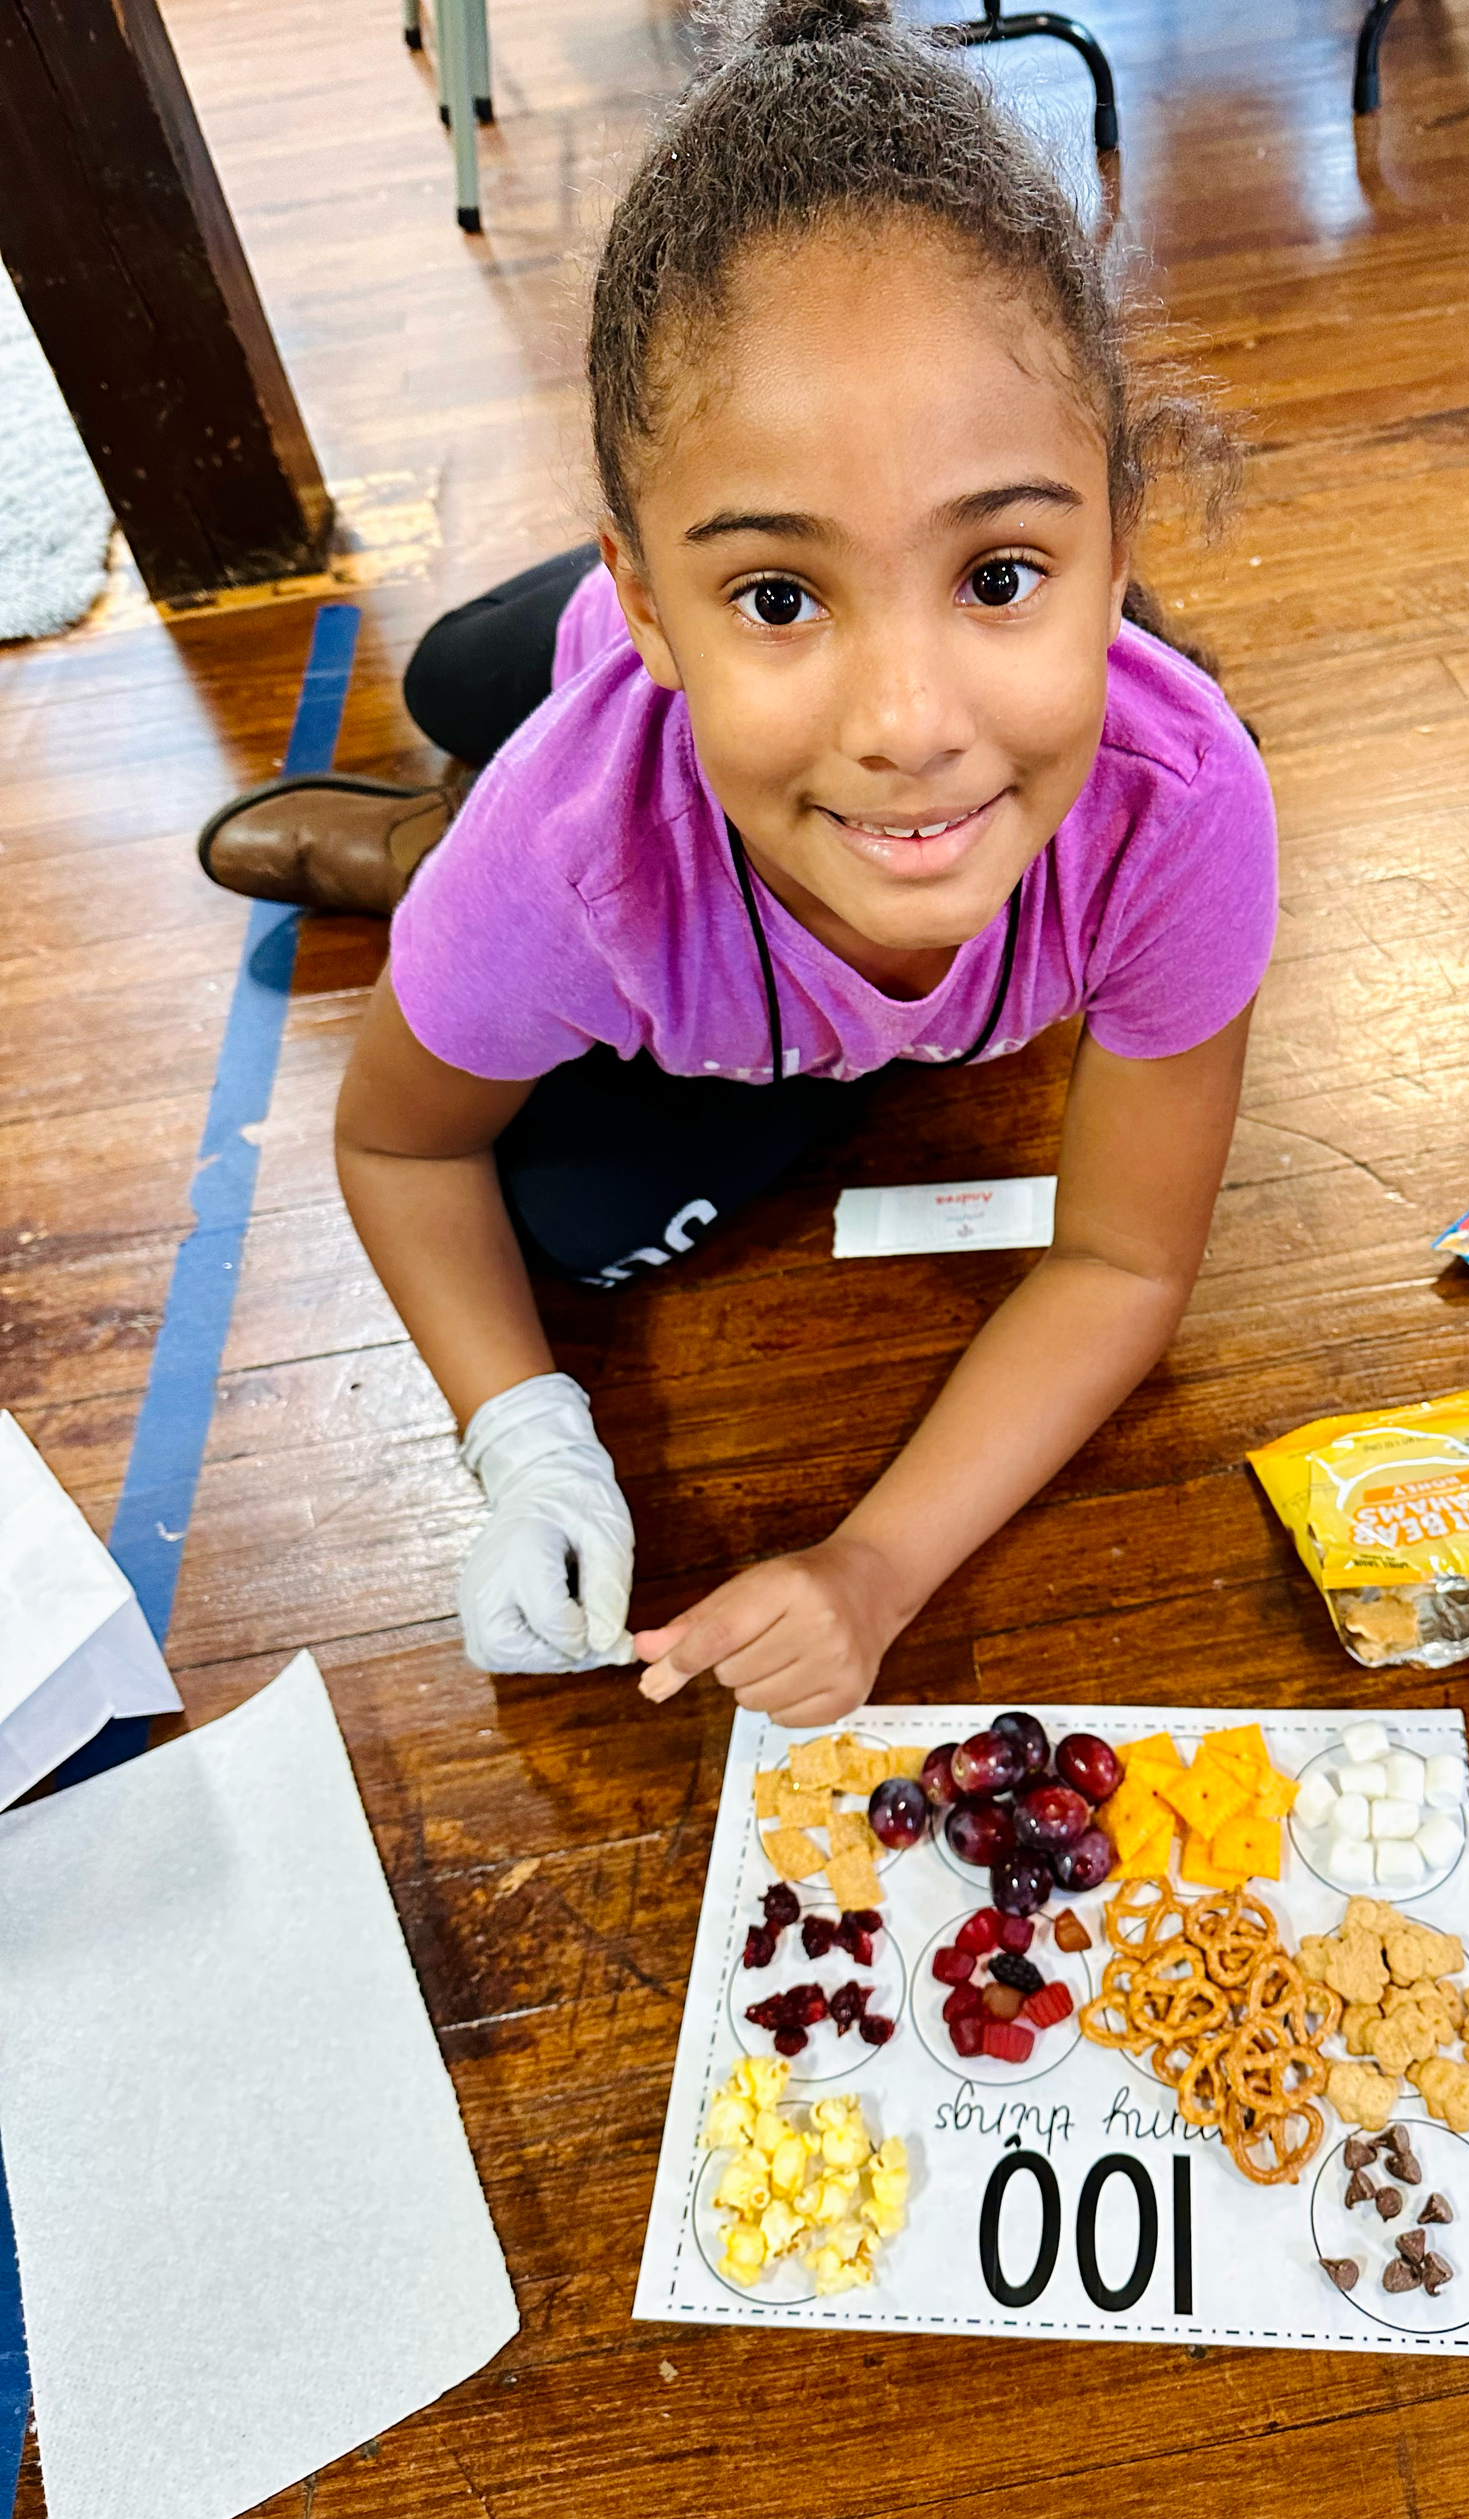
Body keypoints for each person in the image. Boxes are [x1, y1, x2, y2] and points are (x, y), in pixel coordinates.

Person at [197, 0, 1277, 1724]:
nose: (912, 723)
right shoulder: (579, 853)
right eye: (779, 591)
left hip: (673, 784)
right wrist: (529, 1442)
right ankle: (443, 835)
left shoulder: (1185, 807)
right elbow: (397, 1146)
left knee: (582, 1206)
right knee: (456, 702)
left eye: (1000, 570)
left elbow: (1129, 1262)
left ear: (1117, 536)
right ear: (657, 604)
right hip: (594, 780)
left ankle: (540, 759)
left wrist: (874, 1565)